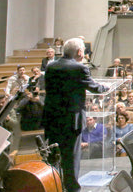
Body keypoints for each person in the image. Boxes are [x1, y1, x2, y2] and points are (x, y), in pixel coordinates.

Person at [43, 38, 108, 192]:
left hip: (52, 118)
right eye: (83, 51)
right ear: (79, 52)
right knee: (71, 157)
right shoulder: (79, 68)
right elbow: (94, 87)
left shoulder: (51, 66)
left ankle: (54, 185)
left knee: (54, 154)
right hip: (71, 120)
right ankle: (72, 189)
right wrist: (105, 87)